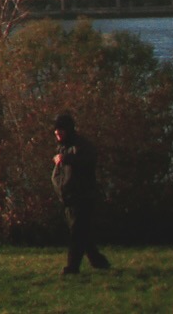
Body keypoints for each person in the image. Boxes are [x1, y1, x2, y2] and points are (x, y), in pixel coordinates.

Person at [51, 111, 110, 275]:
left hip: (83, 197)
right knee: (82, 233)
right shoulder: (62, 146)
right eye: (56, 132)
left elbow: (88, 161)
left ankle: (72, 267)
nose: (58, 134)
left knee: (77, 234)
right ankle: (99, 261)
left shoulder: (82, 145)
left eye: (60, 131)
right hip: (68, 198)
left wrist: (66, 158)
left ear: (68, 129)